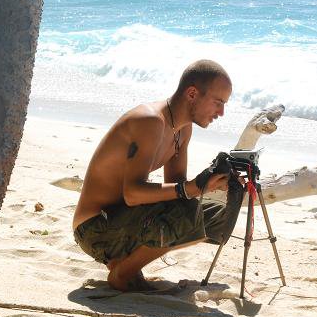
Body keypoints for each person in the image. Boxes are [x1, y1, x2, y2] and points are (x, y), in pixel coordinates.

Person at [73, 59, 245, 291]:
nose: (221, 112)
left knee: (218, 211)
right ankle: (122, 274)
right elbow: (133, 194)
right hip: (94, 227)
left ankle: (124, 262)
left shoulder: (183, 129)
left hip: (124, 219)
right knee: (187, 210)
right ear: (192, 93)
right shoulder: (150, 121)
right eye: (218, 102)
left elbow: (177, 189)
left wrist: (216, 184)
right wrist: (193, 187)